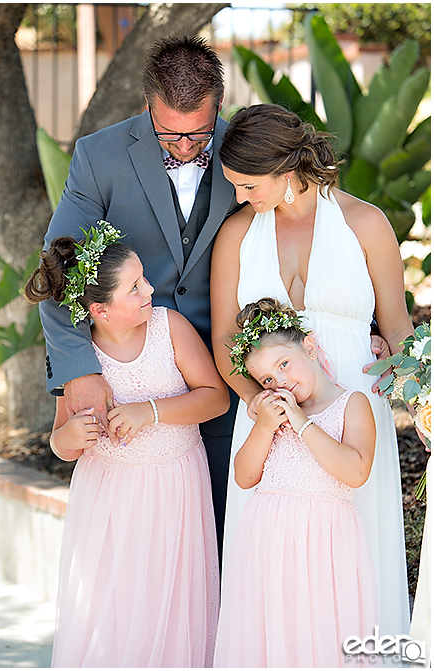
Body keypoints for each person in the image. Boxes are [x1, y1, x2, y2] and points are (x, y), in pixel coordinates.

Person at [210, 103, 413, 643]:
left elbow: (398, 330)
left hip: (353, 418)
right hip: (268, 423)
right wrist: (255, 401)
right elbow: (226, 339)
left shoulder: (366, 224)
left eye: (248, 185)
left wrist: (421, 405)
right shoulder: (236, 234)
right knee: (270, 572)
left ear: (285, 172)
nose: (238, 197)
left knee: (360, 555)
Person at [40, 36, 240, 559]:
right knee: (143, 551)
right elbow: (59, 269)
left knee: (226, 537)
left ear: (219, 105)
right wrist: (79, 369)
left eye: (198, 135)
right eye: (169, 134)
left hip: (230, 368)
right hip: (137, 366)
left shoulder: (244, 146)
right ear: (147, 104)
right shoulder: (98, 156)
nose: (185, 148)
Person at [25, 221, 229, 667]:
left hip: (175, 484)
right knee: (114, 599)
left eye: (142, 278)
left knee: (169, 595)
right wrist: (70, 438)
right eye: (135, 287)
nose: (149, 288)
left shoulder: (168, 327)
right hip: (108, 496)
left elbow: (214, 398)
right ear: (99, 310)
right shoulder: (77, 357)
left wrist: (150, 411)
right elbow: (61, 441)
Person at [214, 298, 378, 667]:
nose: (281, 382)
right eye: (267, 380)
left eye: (284, 364)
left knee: (319, 632)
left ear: (309, 346)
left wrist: (303, 423)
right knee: (271, 633)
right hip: (267, 544)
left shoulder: (351, 404)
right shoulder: (271, 417)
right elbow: (243, 477)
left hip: (324, 544)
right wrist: (264, 427)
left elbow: (355, 470)